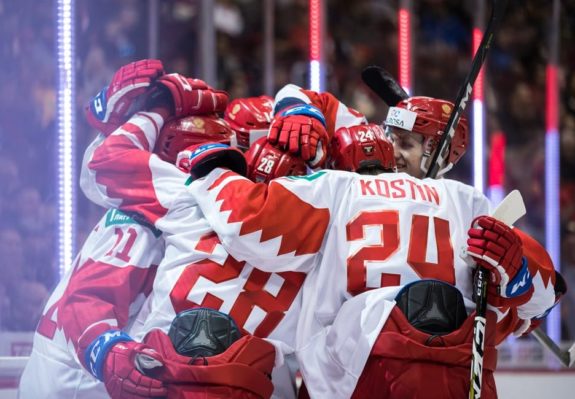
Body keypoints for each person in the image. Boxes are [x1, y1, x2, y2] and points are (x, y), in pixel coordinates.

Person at [179, 94, 560, 398]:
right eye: (391, 140)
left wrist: (211, 172)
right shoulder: (466, 200)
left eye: (405, 143)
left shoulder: (335, 187)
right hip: (451, 372)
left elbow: (247, 224)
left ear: (439, 153)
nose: (394, 152)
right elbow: (547, 292)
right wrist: (519, 281)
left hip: (350, 372)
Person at [18, 60, 275, 399]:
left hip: (67, 376)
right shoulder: (146, 221)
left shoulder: (154, 201)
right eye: (203, 158)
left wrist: (144, 108)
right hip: (78, 383)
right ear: (167, 157)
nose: (217, 175)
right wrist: (107, 351)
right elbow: (85, 301)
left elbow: (101, 165)